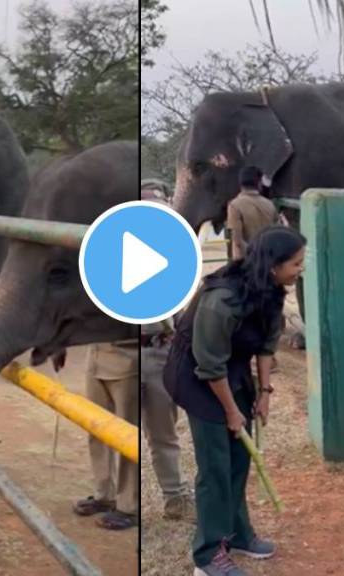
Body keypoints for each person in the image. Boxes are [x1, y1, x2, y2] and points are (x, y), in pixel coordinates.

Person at [164, 226, 306, 576]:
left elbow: (266, 345)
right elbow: (209, 365)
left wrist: (265, 393)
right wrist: (231, 411)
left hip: (233, 369)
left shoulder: (272, 291)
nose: (300, 269)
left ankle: (238, 533)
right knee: (216, 466)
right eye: (296, 263)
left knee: (240, 456)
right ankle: (208, 554)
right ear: (273, 265)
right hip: (198, 376)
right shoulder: (223, 299)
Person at [139, 186, 194, 522]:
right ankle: (114, 499)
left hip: (161, 349)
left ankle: (175, 498)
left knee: (164, 434)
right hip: (122, 352)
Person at [73, 339, 140, 531]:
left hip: (127, 363)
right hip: (95, 358)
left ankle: (129, 506)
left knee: (127, 438)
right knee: (96, 430)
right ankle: (104, 495)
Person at [226, 166, 278, 262]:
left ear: (240, 184)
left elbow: (237, 240)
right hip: (268, 260)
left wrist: (253, 253)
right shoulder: (270, 204)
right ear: (259, 183)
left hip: (246, 262)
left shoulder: (235, 205)